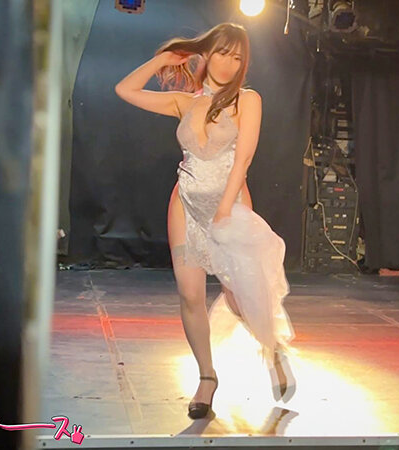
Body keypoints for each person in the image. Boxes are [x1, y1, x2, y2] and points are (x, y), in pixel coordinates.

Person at [115, 23, 295, 420]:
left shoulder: (248, 100)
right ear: (207, 53)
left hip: (229, 204)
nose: (229, 63)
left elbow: (243, 159)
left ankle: (273, 350)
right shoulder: (184, 102)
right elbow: (124, 90)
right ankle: (207, 378)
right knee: (190, 294)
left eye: (238, 57)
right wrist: (164, 59)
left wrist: (225, 209)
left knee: (239, 294)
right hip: (185, 203)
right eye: (222, 53)